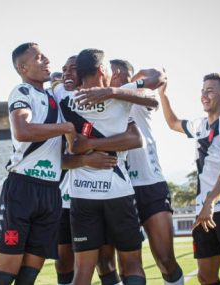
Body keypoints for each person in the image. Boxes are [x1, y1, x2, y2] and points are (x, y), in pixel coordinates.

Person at [57, 48, 164, 285]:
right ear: (102, 69)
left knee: (82, 273)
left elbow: (71, 150)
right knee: (132, 265)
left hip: (81, 194)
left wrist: (86, 148)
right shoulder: (120, 95)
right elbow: (154, 95)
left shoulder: (61, 97)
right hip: (119, 192)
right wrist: (114, 91)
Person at [0, 42, 76, 285]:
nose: (46, 60)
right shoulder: (22, 92)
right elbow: (22, 130)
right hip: (22, 188)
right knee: (4, 276)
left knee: (28, 277)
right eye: (39, 58)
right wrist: (64, 128)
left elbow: (60, 156)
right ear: (23, 67)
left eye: (46, 56)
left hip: (50, 193)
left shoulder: (54, 98)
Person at [159, 73, 220, 285]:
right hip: (205, 212)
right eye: (202, 91)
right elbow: (173, 123)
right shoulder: (200, 125)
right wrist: (162, 94)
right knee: (206, 275)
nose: (204, 95)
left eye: (210, 90)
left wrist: (210, 201)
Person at [54, 55, 132, 285]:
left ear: (86, 73)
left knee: (105, 261)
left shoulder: (110, 100)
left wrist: (89, 146)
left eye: (73, 69)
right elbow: (49, 160)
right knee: (64, 262)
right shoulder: (54, 99)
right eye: (64, 69)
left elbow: (135, 137)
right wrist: (84, 160)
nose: (67, 73)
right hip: (65, 197)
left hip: (93, 194)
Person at [107, 59, 184, 285]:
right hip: (120, 190)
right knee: (128, 265)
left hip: (150, 185)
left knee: (165, 259)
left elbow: (159, 73)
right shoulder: (103, 101)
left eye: (110, 72)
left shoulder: (139, 96)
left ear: (120, 74)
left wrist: (132, 81)